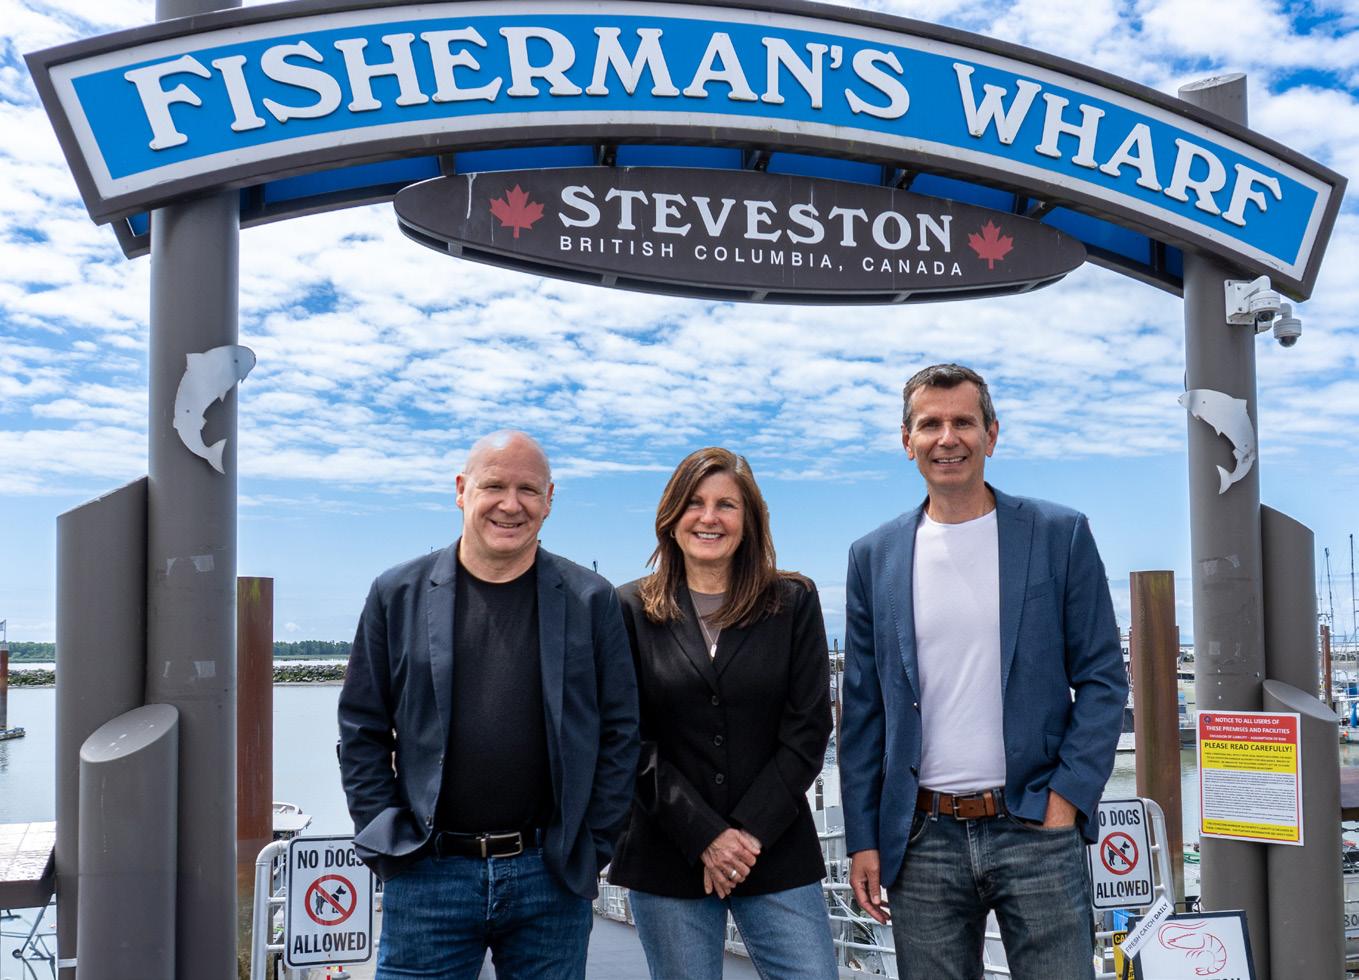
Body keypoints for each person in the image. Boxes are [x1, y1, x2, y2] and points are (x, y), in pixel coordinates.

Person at [839, 364, 1127, 979]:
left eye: (963, 423)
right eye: (930, 425)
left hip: (1036, 827)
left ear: (991, 435)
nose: (947, 438)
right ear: (907, 441)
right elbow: (862, 712)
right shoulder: (873, 556)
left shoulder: (1059, 534)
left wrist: (1066, 799)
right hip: (922, 838)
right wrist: (863, 838)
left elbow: (1103, 679)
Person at [337, 430, 639, 980]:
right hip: (427, 873)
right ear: (461, 490)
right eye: (494, 486)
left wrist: (593, 844)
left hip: (550, 877)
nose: (511, 504)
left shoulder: (591, 599)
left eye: (529, 490)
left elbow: (620, 732)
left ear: (549, 499)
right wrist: (385, 834)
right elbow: (362, 727)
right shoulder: (396, 594)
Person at [609, 447, 838, 980]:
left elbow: (808, 728)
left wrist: (747, 834)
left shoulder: (793, 602)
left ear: (749, 518)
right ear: (671, 516)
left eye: (726, 505)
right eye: (694, 502)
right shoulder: (628, 609)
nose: (708, 517)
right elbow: (627, 739)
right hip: (668, 851)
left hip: (774, 847)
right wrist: (706, 836)